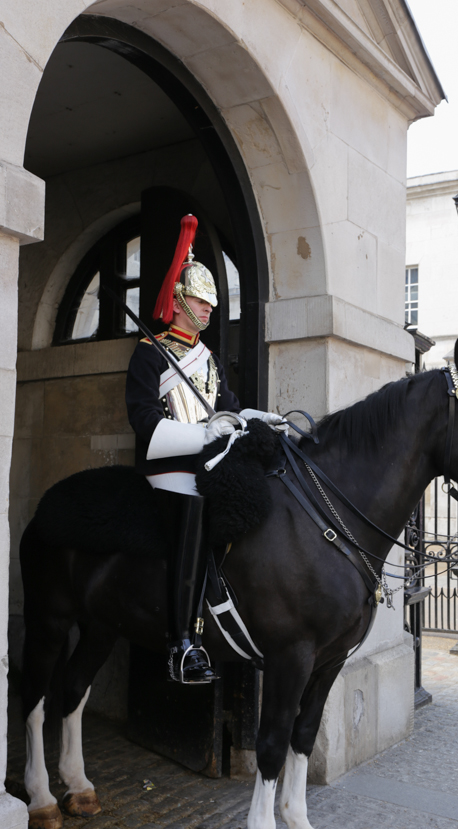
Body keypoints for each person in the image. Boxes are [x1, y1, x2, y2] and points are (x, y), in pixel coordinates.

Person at [126, 214, 284, 684]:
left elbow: (229, 408)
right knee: (193, 511)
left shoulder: (208, 358)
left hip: (208, 466)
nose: (210, 308)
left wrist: (259, 420)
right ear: (178, 301)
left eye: (212, 301)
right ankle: (182, 644)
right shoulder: (149, 352)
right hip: (169, 469)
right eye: (201, 299)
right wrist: (204, 434)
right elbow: (144, 423)